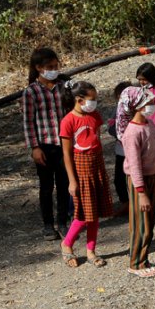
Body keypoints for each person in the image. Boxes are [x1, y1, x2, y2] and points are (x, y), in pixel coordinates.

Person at [58, 80, 114, 268]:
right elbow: (67, 154)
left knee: (95, 212)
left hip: (96, 166)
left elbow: (96, 140)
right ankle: (67, 243)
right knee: (84, 212)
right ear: (79, 100)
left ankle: (91, 250)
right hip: (81, 170)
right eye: (92, 99)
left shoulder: (94, 116)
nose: (95, 102)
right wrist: (72, 180)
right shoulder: (68, 121)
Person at [118, 85, 155, 278]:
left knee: (150, 221)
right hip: (138, 182)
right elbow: (134, 165)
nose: (154, 105)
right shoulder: (132, 132)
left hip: (152, 177)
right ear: (138, 105)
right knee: (141, 224)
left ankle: (144, 259)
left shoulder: (148, 124)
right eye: (150, 102)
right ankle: (136, 263)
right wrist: (141, 193)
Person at [22, 47, 71, 240]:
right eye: (50, 67)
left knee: (64, 184)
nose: (54, 70)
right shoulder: (31, 92)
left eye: (56, 66)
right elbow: (28, 122)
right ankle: (48, 225)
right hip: (44, 146)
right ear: (38, 68)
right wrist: (34, 147)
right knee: (46, 187)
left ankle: (63, 222)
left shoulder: (63, 86)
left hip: (63, 144)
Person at [107, 81, 131, 216]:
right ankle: (125, 203)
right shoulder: (116, 110)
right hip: (121, 151)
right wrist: (119, 134)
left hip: (133, 150)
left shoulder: (136, 109)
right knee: (119, 179)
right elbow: (111, 128)